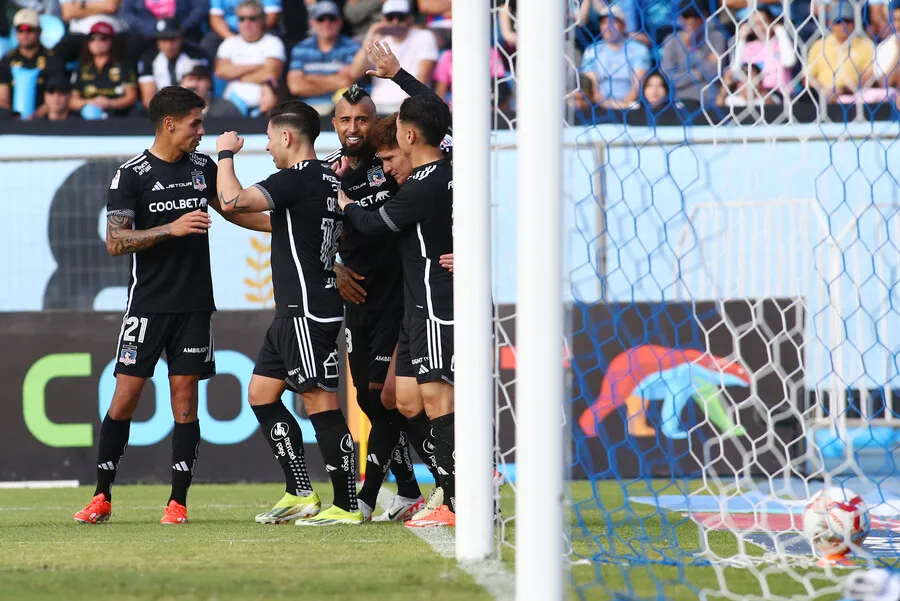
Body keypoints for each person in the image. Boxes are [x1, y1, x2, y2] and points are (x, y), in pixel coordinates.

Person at [73, 86, 271, 526]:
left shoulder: (203, 167)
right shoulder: (131, 175)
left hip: (195, 306)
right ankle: (102, 496)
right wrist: (172, 228)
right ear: (170, 123)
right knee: (125, 397)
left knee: (186, 402)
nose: (201, 132)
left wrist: (291, 227)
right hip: (146, 306)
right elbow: (116, 241)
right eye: (195, 123)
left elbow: (236, 211)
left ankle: (177, 503)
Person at [215, 100, 363, 526]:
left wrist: (225, 154)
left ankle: (347, 505)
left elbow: (232, 198)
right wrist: (223, 201)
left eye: (267, 139)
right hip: (293, 311)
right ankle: (299, 491)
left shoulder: (297, 178)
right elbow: (249, 215)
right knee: (261, 395)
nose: (266, 148)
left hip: (308, 311)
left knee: (319, 400)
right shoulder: (324, 182)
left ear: (286, 137)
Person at [338, 90, 457, 528]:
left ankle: (457, 496)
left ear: (409, 135)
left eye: (392, 153)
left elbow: (371, 223)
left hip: (433, 303)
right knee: (403, 400)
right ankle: (444, 486)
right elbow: (435, 113)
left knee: (436, 398)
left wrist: (345, 203)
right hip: (414, 308)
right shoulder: (441, 171)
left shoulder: (425, 185)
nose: (388, 163)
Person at [320, 84, 428, 522]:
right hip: (357, 301)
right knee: (368, 401)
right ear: (334, 124)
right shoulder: (327, 173)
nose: (353, 128)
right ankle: (409, 489)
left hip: (399, 298)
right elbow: (303, 229)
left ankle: (374, 495)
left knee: (388, 397)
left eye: (361, 119)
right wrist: (332, 267)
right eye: (345, 120)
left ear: (375, 120)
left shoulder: (398, 162)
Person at [347, 0, 439, 114]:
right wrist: (370, 35)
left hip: (408, 109)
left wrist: (408, 109)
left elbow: (423, 78)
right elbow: (355, 72)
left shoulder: (423, 37)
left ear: (410, 19)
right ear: (382, 20)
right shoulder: (378, 40)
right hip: (378, 106)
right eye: (390, 17)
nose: (395, 22)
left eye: (400, 17)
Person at [286, 1, 360, 115]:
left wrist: (309, 78)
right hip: (308, 110)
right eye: (321, 19)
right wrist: (335, 80)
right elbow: (295, 86)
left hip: (341, 109)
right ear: (312, 23)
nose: (326, 23)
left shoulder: (353, 47)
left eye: (331, 18)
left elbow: (347, 81)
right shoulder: (300, 48)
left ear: (340, 21)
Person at [214, 0, 285, 115]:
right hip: (231, 106)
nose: (246, 23)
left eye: (252, 18)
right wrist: (256, 66)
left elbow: (271, 74)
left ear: (262, 19)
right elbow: (220, 71)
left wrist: (235, 74)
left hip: (263, 107)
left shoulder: (273, 42)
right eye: (241, 19)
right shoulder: (229, 43)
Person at [579, 5, 651, 109]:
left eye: (613, 22)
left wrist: (622, 105)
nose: (608, 27)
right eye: (604, 23)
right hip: (599, 106)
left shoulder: (639, 50)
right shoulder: (592, 50)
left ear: (624, 26)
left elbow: (637, 87)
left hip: (630, 106)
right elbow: (591, 87)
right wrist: (606, 104)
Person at [659, 2, 727, 107]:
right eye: (687, 16)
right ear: (680, 18)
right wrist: (699, 71)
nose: (691, 21)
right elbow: (669, 78)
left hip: (709, 98)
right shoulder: (671, 40)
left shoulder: (716, 38)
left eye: (696, 16)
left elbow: (715, 72)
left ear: (705, 17)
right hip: (678, 99)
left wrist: (694, 49)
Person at [0, 9, 63, 119]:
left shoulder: (52, 59)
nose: (25, 34)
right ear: (15, 33)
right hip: (12, 121)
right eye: (20, 30)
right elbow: (2, 96)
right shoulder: (7, 60)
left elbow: (57, 96)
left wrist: (35, 116)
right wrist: (11, 116)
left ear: (39, 32)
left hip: (45, 120)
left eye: (30, 30)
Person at [69, 21, 139, 118]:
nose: (96, 43)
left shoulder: (124, 65)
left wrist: (111, 103)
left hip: (117, 113)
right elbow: (72, 101)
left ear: (112, 41)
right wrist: (91, 103)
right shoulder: (82, 67)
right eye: (92, 39)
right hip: (87, 113)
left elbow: (132, 97)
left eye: (102, 38)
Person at [138, 19, 211, 109]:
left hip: (193, 107)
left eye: (173, 39)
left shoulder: (196, 55)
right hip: (162, 110)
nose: (169, 45)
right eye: (164, 39)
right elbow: (148, 98)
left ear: (181, 38)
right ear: (158, 41)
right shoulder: (148, 59)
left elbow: (202, 90)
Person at [179, 62, 244, 118]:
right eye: (190, 79)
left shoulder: (226, 109)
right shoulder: (174, 110)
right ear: (181, 84)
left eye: (199, 79)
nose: (194, 84)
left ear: (209, 83)